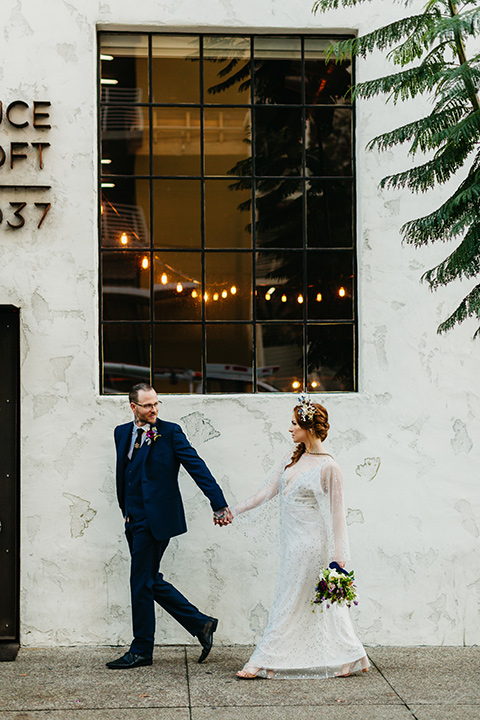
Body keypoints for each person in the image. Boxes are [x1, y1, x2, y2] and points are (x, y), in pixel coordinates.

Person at [232, 396, 369, 680]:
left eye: (294, 424)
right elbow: (265, 492)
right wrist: (234, 510)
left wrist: (338, 555)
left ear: (308, 427)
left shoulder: (329, 467)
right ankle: (354, 655)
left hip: (312, 547)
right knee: (312, 604)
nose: (290, 429)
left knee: (288, 602)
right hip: (292, 545)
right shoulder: (292, 458)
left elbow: (337, 515)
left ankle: (260, 660)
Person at [106, 383, 232, 669]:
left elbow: (197, 467)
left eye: (157, 404)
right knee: (149, 581)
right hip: (133, 519)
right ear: (133, 407)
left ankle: (141, 650)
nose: (154, 410)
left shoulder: (170, 432)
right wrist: (126, 510)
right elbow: (124, 474)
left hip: (156, 520)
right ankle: (201, 624)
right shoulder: (121, 433)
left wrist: (219, 504)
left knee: (140, 582)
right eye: (148, 405)